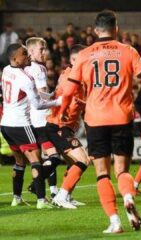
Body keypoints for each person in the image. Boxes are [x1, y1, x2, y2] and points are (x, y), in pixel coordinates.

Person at [60, 10, 141, 233]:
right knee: (122, 171)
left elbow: (69, 90)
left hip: (95, 118)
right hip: (122, 117)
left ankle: (114, 222)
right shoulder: (128, 51)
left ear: (95, 30)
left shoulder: (84, 54)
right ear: (116, 29)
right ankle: (129, 195)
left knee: (102, 173)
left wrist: (64, 111)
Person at [1, 43, 61, 209]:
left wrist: (50, 95)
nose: (28, 56)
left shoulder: (6, 70)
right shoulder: (25, 78)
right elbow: (38, 105)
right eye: (24, 54)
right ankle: (42, 201)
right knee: (36, 161)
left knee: (19, 162)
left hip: (5, 124)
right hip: (21, 124)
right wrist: (58, 102)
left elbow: (34, 95)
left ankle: (16, 198)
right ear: (15, 59)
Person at [46, 44, 89, 209]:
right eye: (74, 60)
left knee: (73, 163)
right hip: (58, 125)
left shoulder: (78, 76)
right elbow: (65, 96)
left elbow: (80, 102)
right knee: (83, 160)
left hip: (66, 126)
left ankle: (66, 196)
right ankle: (61, 196)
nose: (77, 63)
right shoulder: (70, 76)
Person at [25, 37, 63, 198]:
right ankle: (37, 185)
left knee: (45, 157)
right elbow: (43, 95)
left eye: (45, 48)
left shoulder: (24, 68)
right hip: (42, 118)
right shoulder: (39, 69)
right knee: (54, 156)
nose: (44, 52)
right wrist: (59, 96)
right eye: (41, 49)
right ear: (31, 51)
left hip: (30, 119)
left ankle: (53, 192)